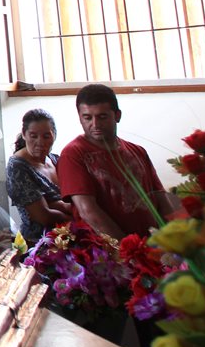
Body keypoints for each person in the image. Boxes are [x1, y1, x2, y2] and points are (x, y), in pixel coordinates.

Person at [57, 84, 179, 239]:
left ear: (117, 115)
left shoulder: (138, 151)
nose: (95, 124)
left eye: (102, 117)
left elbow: (162, 200)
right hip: (108, 253)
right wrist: (128, 250)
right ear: (80, 117)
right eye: (87, 117)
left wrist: (176, 239)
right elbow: (88, 212)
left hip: (153, 246)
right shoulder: (72, 154)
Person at [5, 109, 71, 244]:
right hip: (39, 244)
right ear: (24, 134)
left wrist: (57, 204)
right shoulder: (17, 167)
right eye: (33, 136)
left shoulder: (55, 160)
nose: (40, 142)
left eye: (46, 136)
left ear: (54, 135)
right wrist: (77, 217)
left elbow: (75, 197)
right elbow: (43, 216)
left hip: (68, 237)